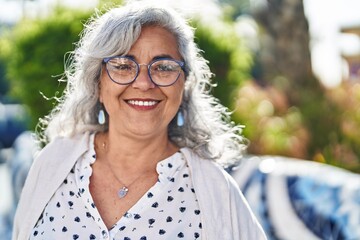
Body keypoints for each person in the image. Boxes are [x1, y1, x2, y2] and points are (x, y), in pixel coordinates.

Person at [13, 1, 267, 239]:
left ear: (184, 85)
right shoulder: (53, 164)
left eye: (164, 67)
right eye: (123, 65)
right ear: (97, 83)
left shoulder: (216, 191)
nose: (144, 83)